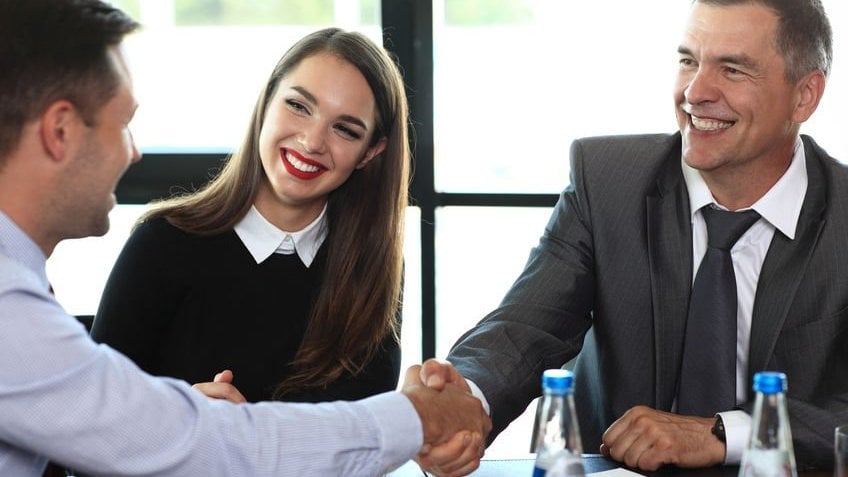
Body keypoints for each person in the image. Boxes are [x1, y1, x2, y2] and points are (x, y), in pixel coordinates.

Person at [0, 1, 489, 476]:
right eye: (123, 125)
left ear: (371, 152)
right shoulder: (16, 309)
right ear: (59, 131)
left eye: (344, 129)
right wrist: (417, 417)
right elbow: (155, 439)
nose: (135, 153)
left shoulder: (19, 297)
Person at [421, 0, 845, 472]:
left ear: (805, 95)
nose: (695, 91)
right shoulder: (607, 184)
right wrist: (463, 401)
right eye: (688, 61)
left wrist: (724, 433)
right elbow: (525, 328)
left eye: (733, 69)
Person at [90, 27, 407, 405]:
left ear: (370, 153)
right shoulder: (161, 244)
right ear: (266, 102)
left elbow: (362, 441)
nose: (312, 141)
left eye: (345, 129)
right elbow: (94, 422)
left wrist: (250, 436)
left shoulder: (371, 269)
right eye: (299, 106)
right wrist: (182, 419)